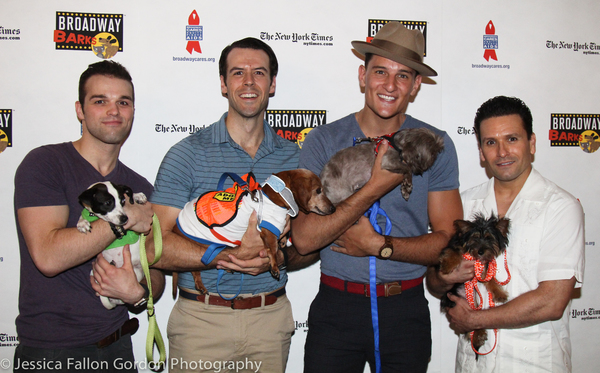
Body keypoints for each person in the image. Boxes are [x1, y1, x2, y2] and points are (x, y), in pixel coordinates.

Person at [292, 22, 462, 372]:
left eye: (403, 76)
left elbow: (448, 241)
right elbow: (305, 239)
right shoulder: (323, 141)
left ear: (416, 85)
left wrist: (379, 245)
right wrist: (374, 187)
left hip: (405, 311)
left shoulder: (435, 146)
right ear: (362, 76)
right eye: (380, 71)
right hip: (336, 309)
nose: (389, 85)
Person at [149, 37, 305, 373]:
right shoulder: (186, 154)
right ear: (223, 83)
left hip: (269, 320)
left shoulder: (294, 158)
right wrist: (224, 258)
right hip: (201, 323)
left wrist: (275, 258)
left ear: (273, 83)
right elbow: (153, 245)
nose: (249, 82)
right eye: (238, 73)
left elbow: (311, 242)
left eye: (259, 73)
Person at [13, 60, 165, 372]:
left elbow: (156, 270)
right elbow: (48, 256)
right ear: (80, 110)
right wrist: (125, 220)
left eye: (123, 102)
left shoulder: (139, 188)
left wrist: (137, 293)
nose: (114, 111)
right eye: (100, 101)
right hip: (51, 353)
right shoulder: (46, 164)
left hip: (119, 345)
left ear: (133, 111)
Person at [427, 96, 585, 372]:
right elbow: (433, 281)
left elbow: (552, 301)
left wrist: (475, 320)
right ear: (480, 151)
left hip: (534, 363)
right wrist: (444, 276)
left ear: (532, 143)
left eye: (512, 139)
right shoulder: (463, 205)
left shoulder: (561, 207)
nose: (501, 152)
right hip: (472, 362)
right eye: (490, 142)